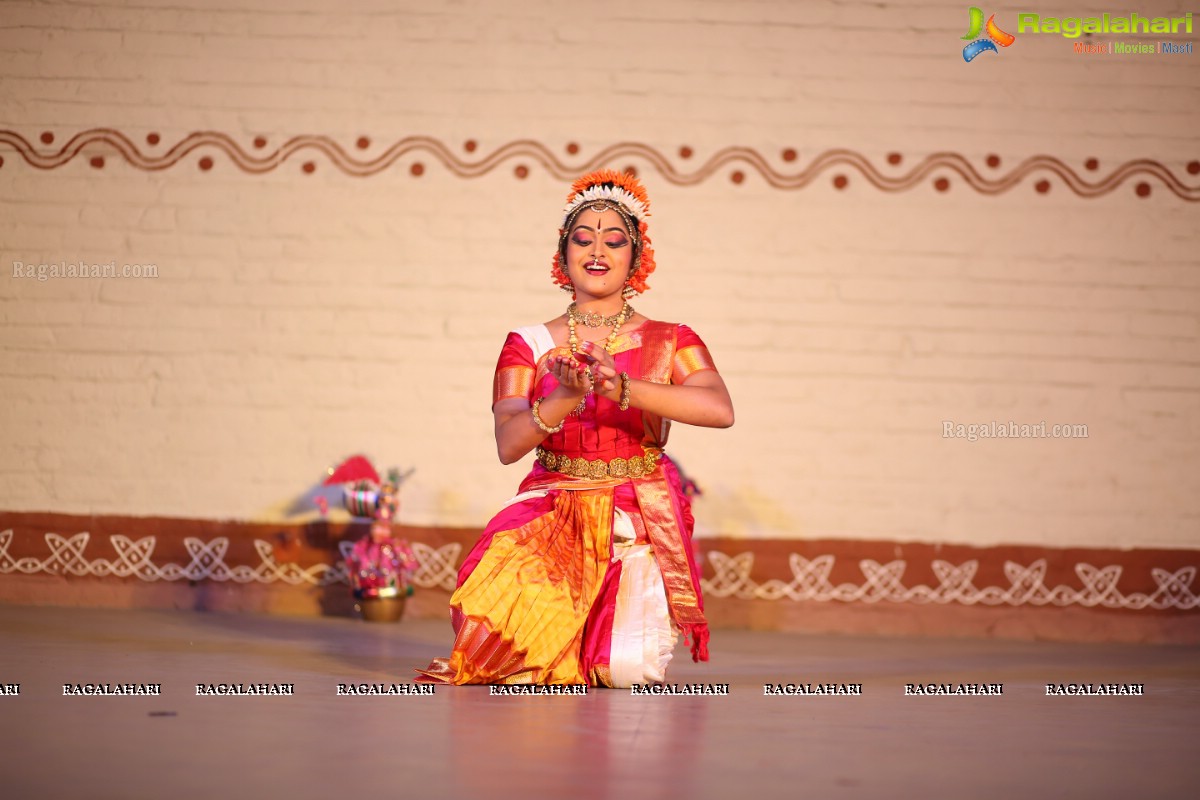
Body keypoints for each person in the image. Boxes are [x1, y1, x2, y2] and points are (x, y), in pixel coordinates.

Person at [417, 170, 734, 688]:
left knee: (623, 671)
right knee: (503, 653)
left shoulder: (670, 338)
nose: (597, 251)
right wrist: (566, 395)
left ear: (637, 259)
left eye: (615, 241)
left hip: (633, 516)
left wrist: (620, 388)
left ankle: (604, 618)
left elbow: (719, 408)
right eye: (582, 239)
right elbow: (508, 445)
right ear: (563, 257)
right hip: (552, 508)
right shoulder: (529, 342)